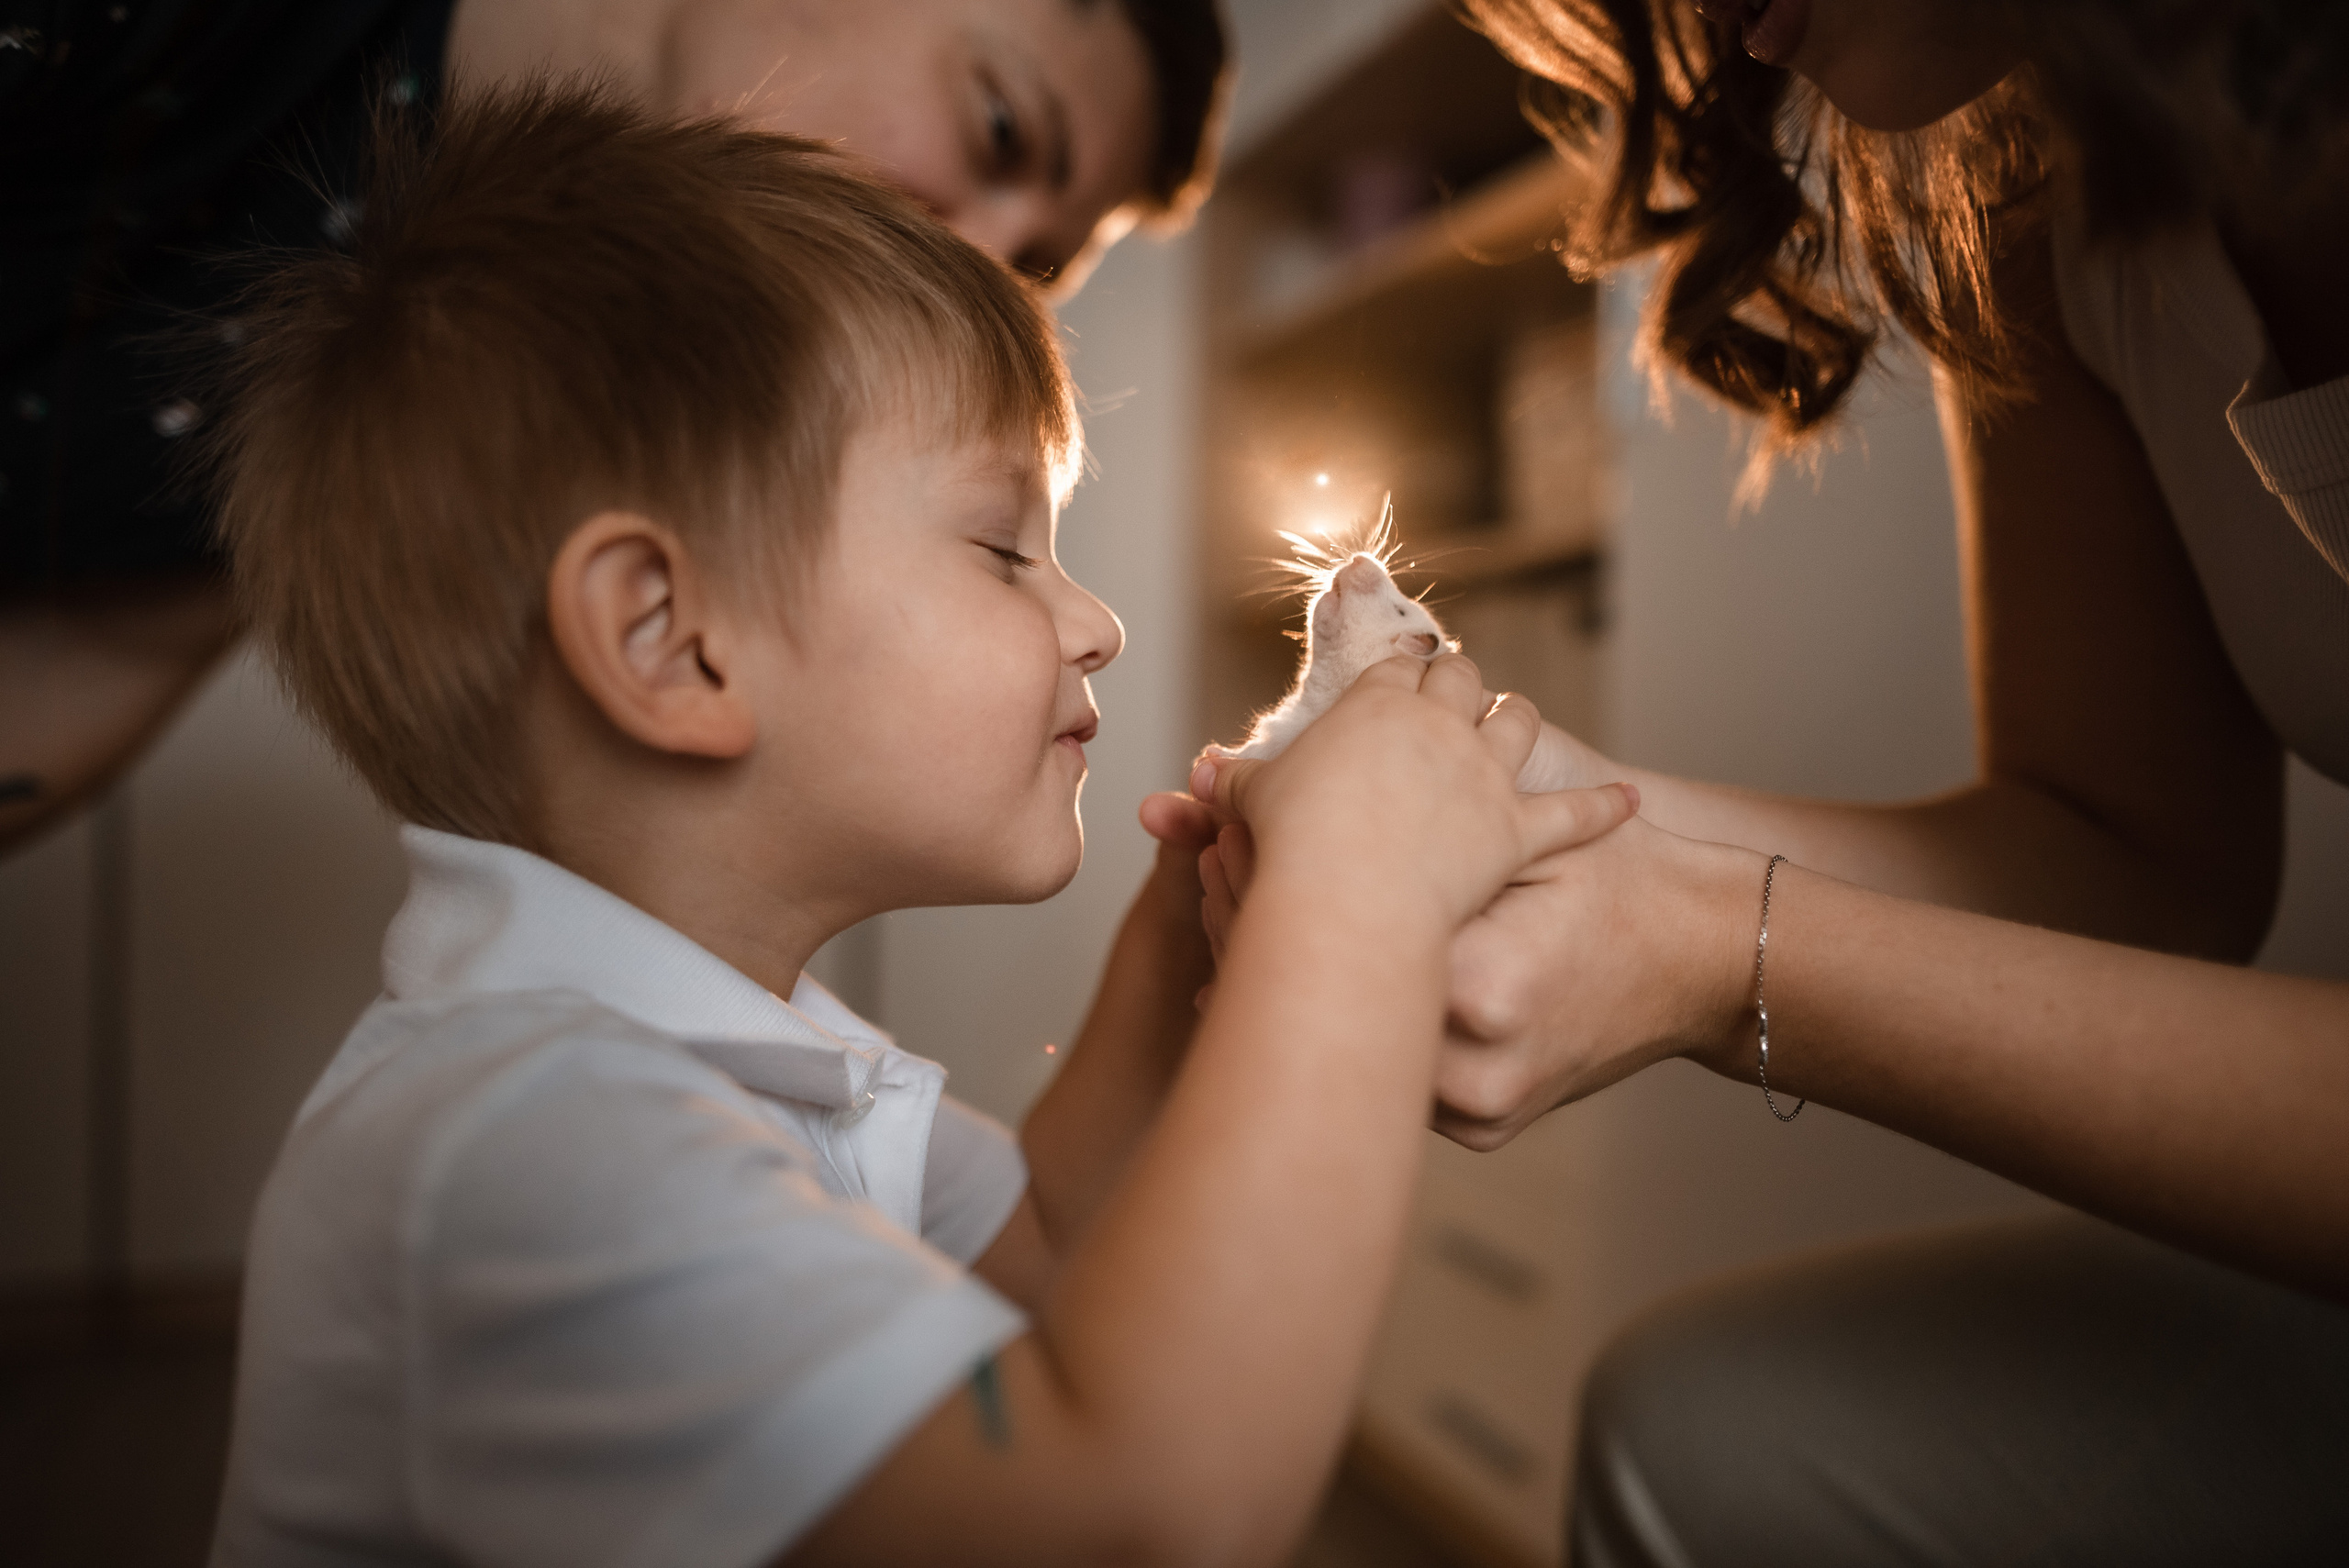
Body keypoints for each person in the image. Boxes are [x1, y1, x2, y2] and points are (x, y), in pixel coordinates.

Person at [206, 79, 1635, 1565]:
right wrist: (1357, 909)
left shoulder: (745, 1056)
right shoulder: (527, 1156)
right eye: (1003, 546)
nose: (1097, 623)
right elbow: (1131, 1517)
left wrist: (1193, 939)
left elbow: (1046, 1256)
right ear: (673, 642)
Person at [1184, 1, 2349, 1562]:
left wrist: (1719, 953)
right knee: (1695, 1439)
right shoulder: (2033, 195)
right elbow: (2129, 857)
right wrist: (1544, 798)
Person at [0, 0, 1225, 854]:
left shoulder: (458, 370)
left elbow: (88, 665)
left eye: (1032, 267)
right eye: (999, 129)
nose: (965, 255)